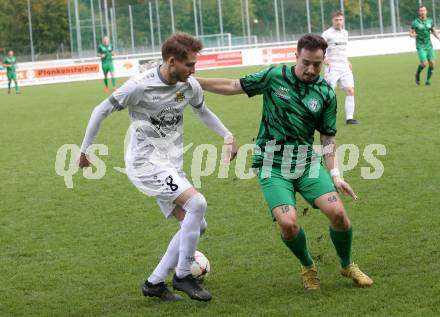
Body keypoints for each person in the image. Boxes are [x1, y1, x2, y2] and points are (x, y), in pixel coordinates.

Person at [196, 34, 373, 290]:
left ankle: (347, 265)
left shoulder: (325, 93)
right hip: (271, 163)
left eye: (317, 64)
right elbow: (234, 85)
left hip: (306, 164)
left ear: (324, 61)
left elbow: (327, 136)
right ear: (295, 55)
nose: (311, 69)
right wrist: (192, 81)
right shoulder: (274, 76)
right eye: (306, 62)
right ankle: (308, 265)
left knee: (338, 215)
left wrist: (336, 174)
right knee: (288, 224)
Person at [79, 32, 237, 301]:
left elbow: (202, 111)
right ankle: (183, 275)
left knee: (196, 226)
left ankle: (154, 283)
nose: (194, 70)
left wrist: (227, 135)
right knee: (197, 204)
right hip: (145, 164)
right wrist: (85, 150)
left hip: (171, 164)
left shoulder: (189, 85)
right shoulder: (139, 86)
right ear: (172, 61)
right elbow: (100, 110)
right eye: (189, 65)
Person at [322, 11, 357, 124]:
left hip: (344, 66)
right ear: (332, 21)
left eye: (340, 20)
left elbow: (343, 50)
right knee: (330, 92)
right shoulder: (326, 34)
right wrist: (324, 57)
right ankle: (326, 116)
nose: (338, 22)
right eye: (336, 20)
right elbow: (320, 48)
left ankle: (349, 118)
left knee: (350, 90)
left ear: (343, 21)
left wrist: (347, 61)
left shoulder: (345, 33)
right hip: (332, 66)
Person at [410, 6, 440, 86]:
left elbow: (433, 31)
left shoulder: (430, 21)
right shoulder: (415, 22)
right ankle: (417, 74)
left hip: (429, 45)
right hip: (420, 46)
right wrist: (412, 34)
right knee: (424, 64)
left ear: (426, 11)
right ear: (419, 12)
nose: (422, 12)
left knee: (432, 63)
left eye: (424, 10)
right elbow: (410, 32)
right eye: (421, 11)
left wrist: (438, 37)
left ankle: (427, 81)